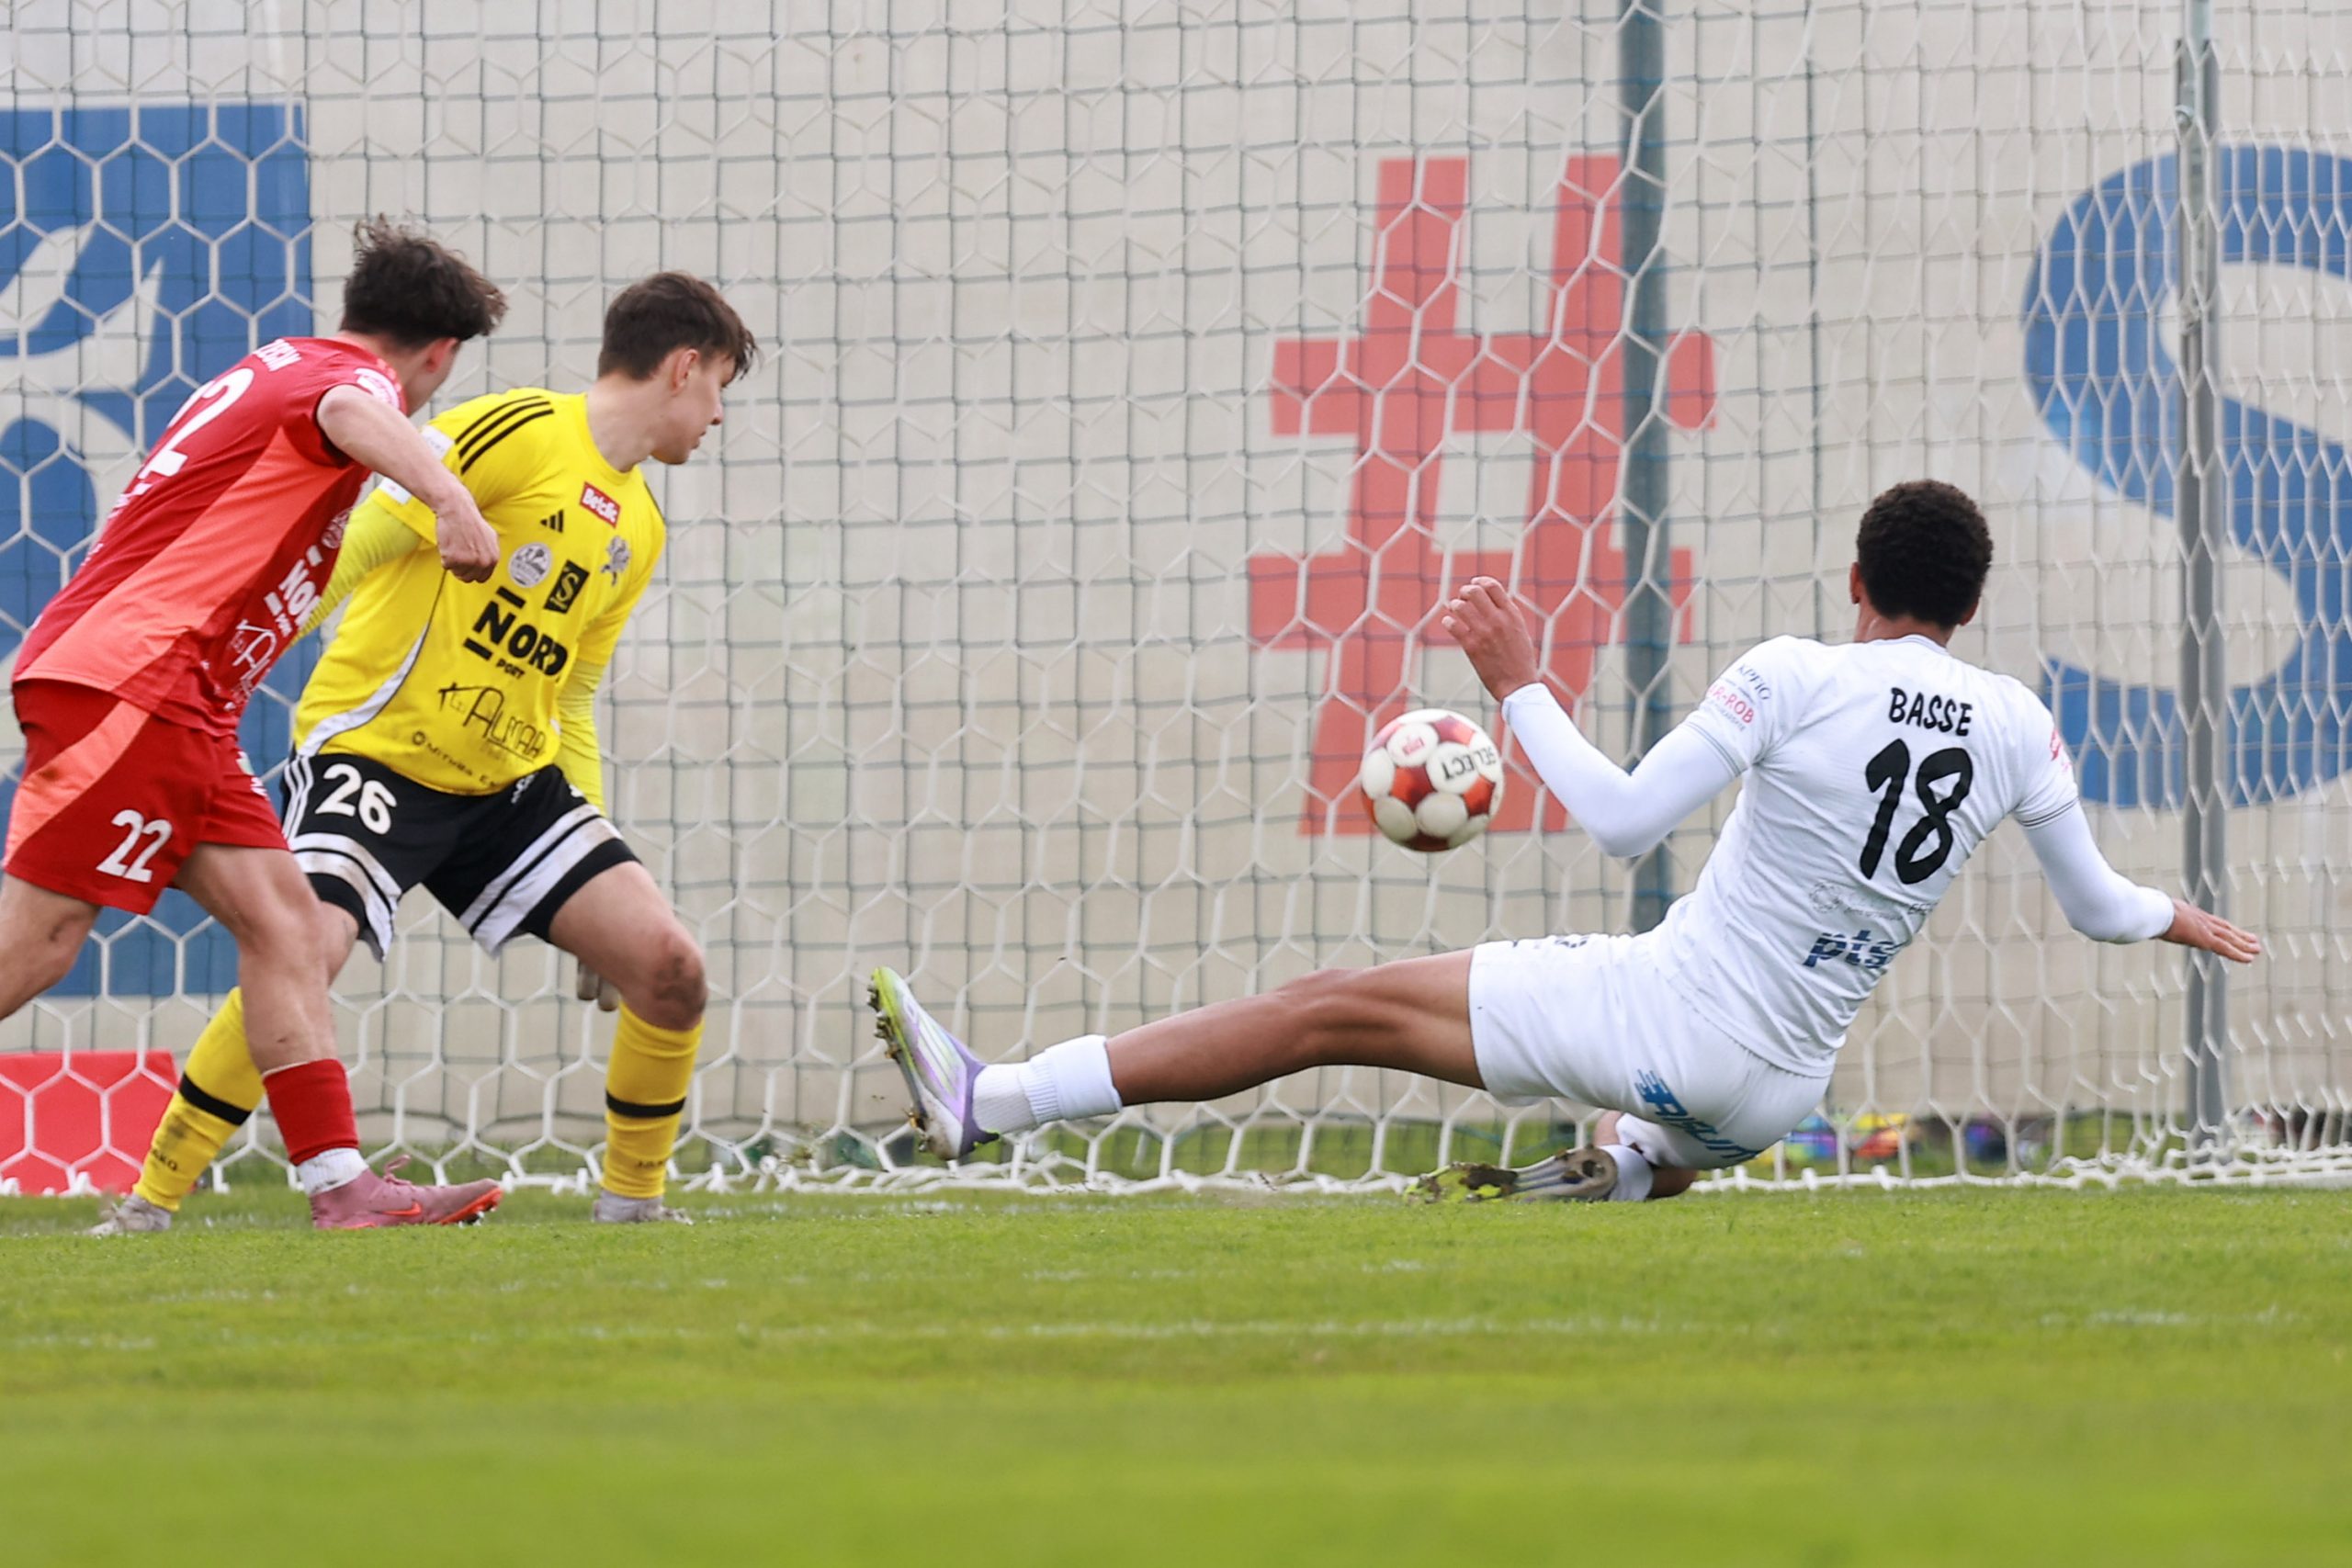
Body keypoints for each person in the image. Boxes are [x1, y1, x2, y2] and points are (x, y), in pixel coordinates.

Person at [870, 480, 2262, 1201]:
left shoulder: (1796, 674)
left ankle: (995, 1098)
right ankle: (1629, 1167)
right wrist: (2171, 914)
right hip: (1778, 1094)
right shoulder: (2018, 722)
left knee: (1324, 1009)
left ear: (1854, 578)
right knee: (1648, 1123)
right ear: (1970, 604)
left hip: (1672, 1012)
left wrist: (1518, 684)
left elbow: (1620, 819)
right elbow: (2097, 907)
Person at [93, 274, 758, 1234]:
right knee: (304, 952)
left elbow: (570, 694)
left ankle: (634, 1206)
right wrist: (230, 673)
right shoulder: (515, 430)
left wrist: (595, 835)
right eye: (721, 388)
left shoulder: (640, 527)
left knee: (669, 966)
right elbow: (355, 545)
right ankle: (150, 1203)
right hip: (375, 755)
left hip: (508, 787)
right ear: (683, 368)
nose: (719, 416)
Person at [5, 218, 510, 1228]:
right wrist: (451, 498)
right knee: (43, 938)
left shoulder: (276, 366)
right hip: (138, 683)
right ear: (439, 354)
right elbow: (349, 409)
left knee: (288, 928)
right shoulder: (344, 382)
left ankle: (343, 1187)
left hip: (180, 703)